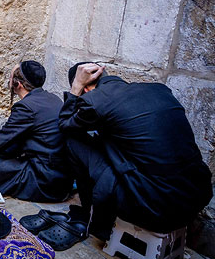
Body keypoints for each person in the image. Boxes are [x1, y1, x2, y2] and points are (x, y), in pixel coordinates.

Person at [53, 62, 213, 248]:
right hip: (196, 198)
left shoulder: (97, 100)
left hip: (156, 209)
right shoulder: (159, 90)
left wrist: (75, 89)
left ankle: (90, 213)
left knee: (73, 139)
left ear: (87, 88)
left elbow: (65, 125)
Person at [0, 61, 74, 202]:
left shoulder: (26, 107)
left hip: (43, 181)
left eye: (10, 77)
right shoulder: (53, 98)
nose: (9, 80)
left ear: (18, 84)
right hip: (62, 180)